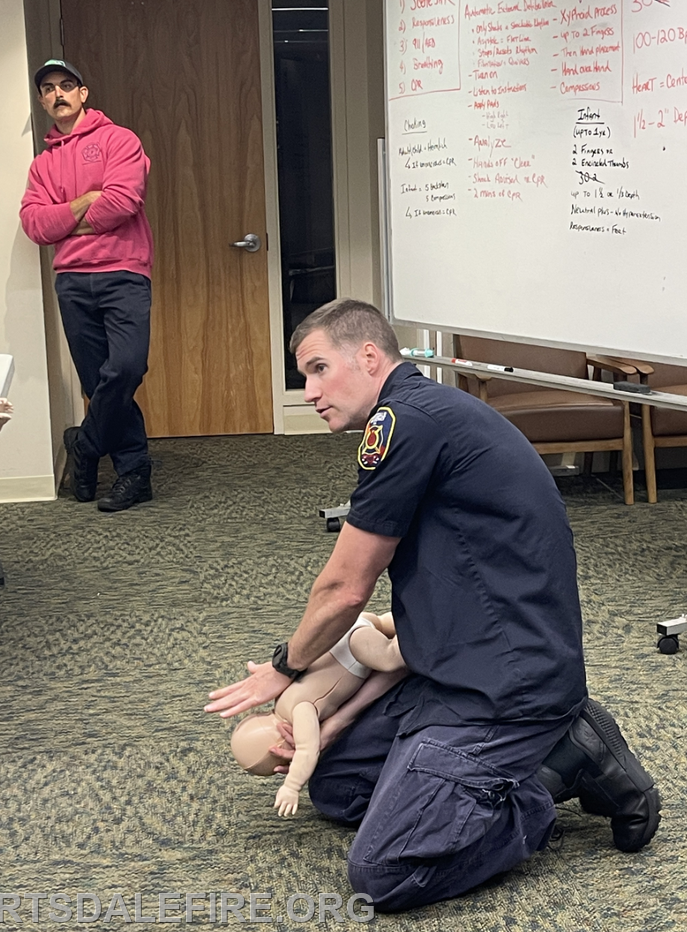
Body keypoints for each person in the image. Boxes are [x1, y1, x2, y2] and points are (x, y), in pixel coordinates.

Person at [205, 298, 660, 912]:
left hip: (503, 690)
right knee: (336, 788)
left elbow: (344, 589)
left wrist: (285, 667)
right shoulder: (425, 413)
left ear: (369, 356)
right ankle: (524, 760)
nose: (309, 391)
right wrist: (332, 712)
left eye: (318, 369)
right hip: (447, 665)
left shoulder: (405, 425)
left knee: (383, 873)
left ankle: (558, 769)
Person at [19, 59, 154, 513]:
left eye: (66, 86)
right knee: (99, 382)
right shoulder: (42, 165)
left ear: (83, 93)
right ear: (42, 101)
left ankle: (85, 443)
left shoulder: (120, 140)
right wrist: (83, 203)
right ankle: (135, 473)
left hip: (124, 272)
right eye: (49, 89)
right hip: (73, 282)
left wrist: (66, 221)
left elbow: (123, 201)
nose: (58, 94)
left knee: (128, 369)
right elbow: (36, 226)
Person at [229, 611, 405, 817]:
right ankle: (417, 617)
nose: (290, 760)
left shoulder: (300, 711)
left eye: (284, 761)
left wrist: (292, 786)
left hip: (355, 645)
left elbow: (307, 750)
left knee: (390, 657)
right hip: (348, 630)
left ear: (277, 746)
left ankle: (426, 637)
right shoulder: (282, 701)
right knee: (384, 624)